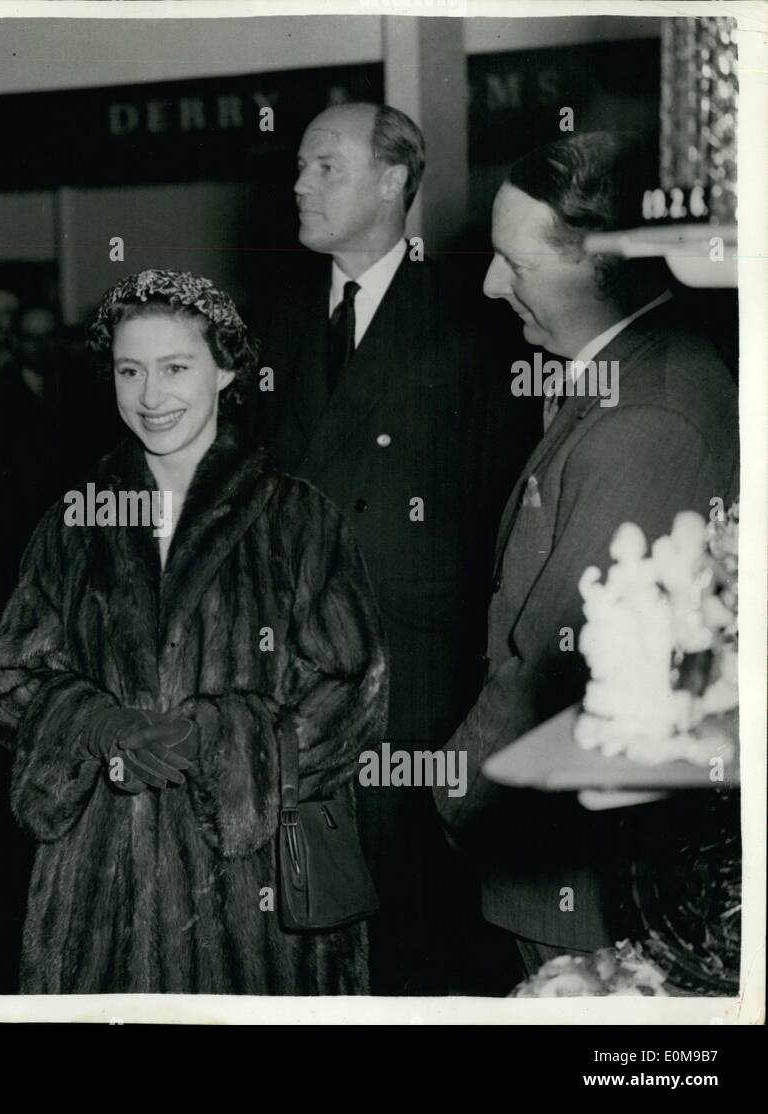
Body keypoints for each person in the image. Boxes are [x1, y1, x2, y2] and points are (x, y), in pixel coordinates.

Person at [0, 270, 387, 994]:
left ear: (226, 369)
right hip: (99, 890)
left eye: (175, 368)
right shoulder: (78, 520)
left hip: (251, 899)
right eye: (130, 371)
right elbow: (4, 677)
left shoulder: (297, 518)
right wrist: (97, 728)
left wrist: (220, 741)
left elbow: (354, 691)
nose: (151, 396)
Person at [433, 133, 739, 974]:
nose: (492, 286)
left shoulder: (645, 420)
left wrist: (452, 790)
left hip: (581, 876)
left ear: (604, 268)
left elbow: (550, 655)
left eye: (516, 264)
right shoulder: (635, 372)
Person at [258, 101, 503, 993]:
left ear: (396, 179)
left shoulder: (474, 319)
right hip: (289, 678)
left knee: (410, 936)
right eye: (298, 166)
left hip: (417, 686)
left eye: (325, 166)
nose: (298, 184)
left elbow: (497, 515)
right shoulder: (273, 322)